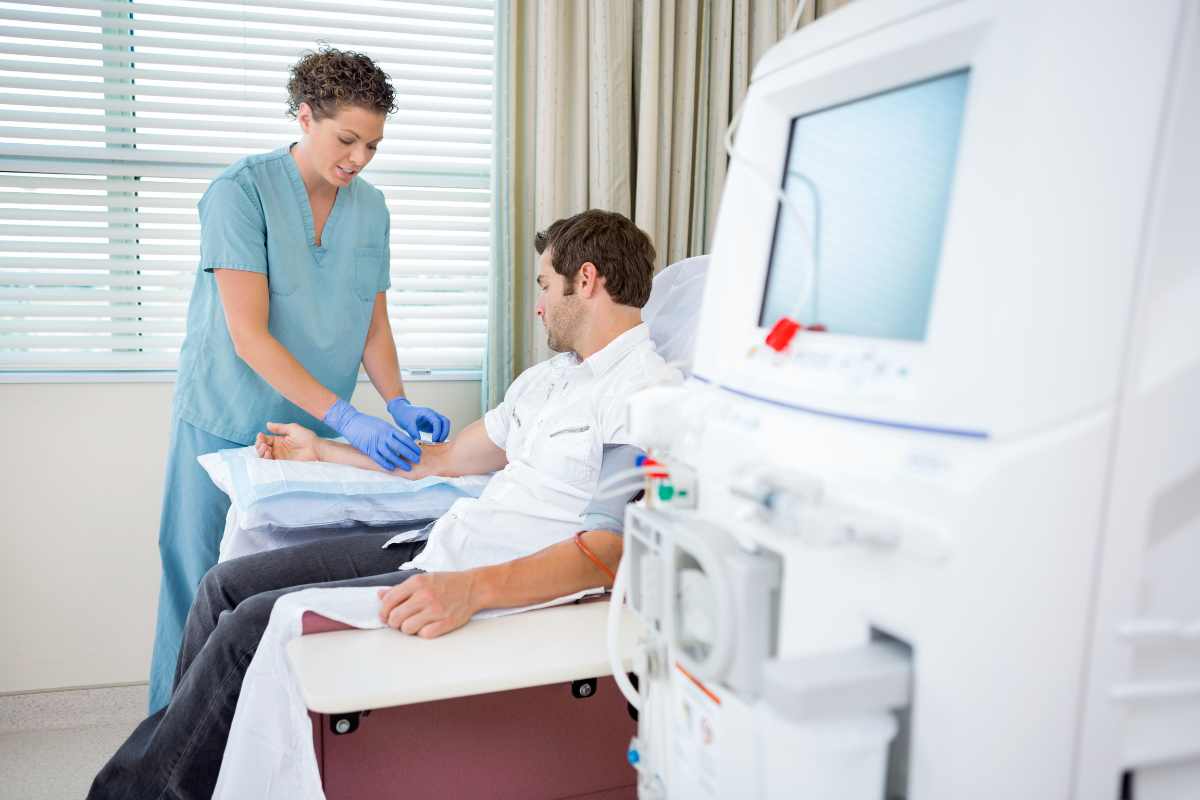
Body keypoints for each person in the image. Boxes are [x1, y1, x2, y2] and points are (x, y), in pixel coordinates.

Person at [89, 210, 678, 800]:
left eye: (546, 286)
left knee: (248, 629)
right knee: (221, 587)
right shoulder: (549, 381)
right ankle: (187, 767)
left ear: (588, 279)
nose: (539, 306)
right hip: (441, 538)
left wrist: (472, 589)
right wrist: (321, 449)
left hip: (471, 572)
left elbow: (608, 549)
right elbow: (441, 460)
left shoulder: (645, 394)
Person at [148, 47, 451, 714]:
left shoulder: (370, 209)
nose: (360, 158)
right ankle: (169, 730)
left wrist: (396, 401)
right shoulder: (240, 193)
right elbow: (248, 334)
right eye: (347, 139)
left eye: (373, 144)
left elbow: (372, 325)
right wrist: (350, 418)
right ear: (306, 117)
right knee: (196, 576)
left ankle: (260, 730)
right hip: (223, 411)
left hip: (305, 429)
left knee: (276, 582)